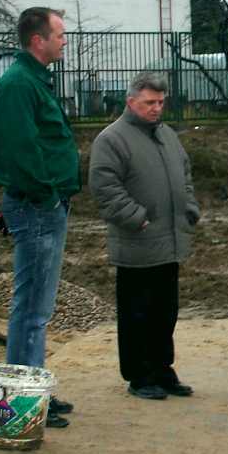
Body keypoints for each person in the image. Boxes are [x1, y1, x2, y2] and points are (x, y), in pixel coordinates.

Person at [0, 7, 80, 428]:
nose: (64, 41)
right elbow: (19, 150)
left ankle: (34, 389)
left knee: (36, 308)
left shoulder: (33, 81)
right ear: (37, 40)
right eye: (59, 34)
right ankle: (24, 400)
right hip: (37, 206)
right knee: (31, 309)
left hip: (45, 204)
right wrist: (46, 194)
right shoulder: (18, 85)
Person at [88, 72, 200, 400]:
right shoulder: (112, 139)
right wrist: (137, 219)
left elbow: (185, 174)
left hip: (170, 241)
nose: (156, 108)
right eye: (150, 102)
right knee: (137, 313)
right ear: (131, 101)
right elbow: (105, 187)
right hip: (136, 244)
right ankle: (139, 375)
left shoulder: (167, 135)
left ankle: (163, 369)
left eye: (161, 102)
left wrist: (189, 206)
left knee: (166, 312)